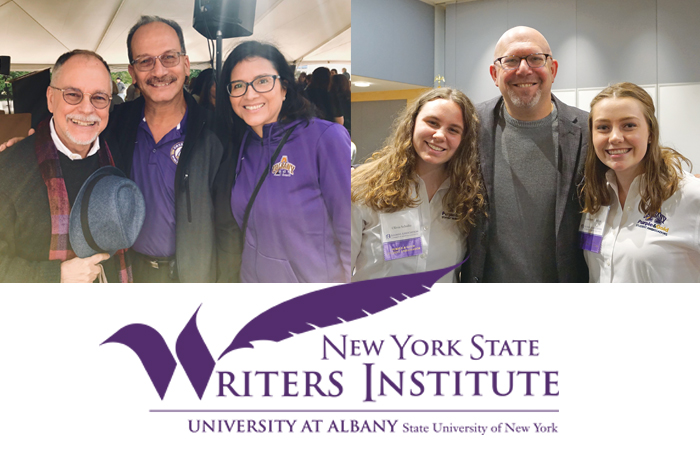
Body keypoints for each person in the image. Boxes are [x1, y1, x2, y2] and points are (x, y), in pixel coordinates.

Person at [214, 41, 350, 282]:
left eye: (263, 81)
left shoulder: (324, 138)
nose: (250, 94)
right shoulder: (243, 142)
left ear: (285, 87)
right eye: (238, 85)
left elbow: (351, 236)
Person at [461, 26, 588, 283]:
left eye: (535, 59)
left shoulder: (588, 130)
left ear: (552, 69)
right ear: (494, 74)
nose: (523, 69)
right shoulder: (469, 126)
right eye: (510, 60)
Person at [104, 16, 223, 282]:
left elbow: (230, 225)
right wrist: (28, 148)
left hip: (194, 278)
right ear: (132, 74)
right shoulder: (114, 125)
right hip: (129, 273)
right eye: (145, 61)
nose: (159, 71)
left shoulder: (217, 132)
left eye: (169, 57)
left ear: (186, 64)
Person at [0, 50, 131, 282]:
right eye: (73, 94)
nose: (87, 109)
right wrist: (56, 277)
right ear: (51, 98)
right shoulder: (8, 170)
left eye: (99, 97)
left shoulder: (115, 156)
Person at [351, 87, 485, 283]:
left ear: (464, 140)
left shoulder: (467, 195)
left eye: (453, 130)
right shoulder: (364, 186)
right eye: (432, 122)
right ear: (412, 124)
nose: (439, 135)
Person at [580, 82, 700, 282]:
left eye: (629, 125)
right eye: (603, 127)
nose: (615, 137)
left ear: (650, 132)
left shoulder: (690, 196)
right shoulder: (596, 197)